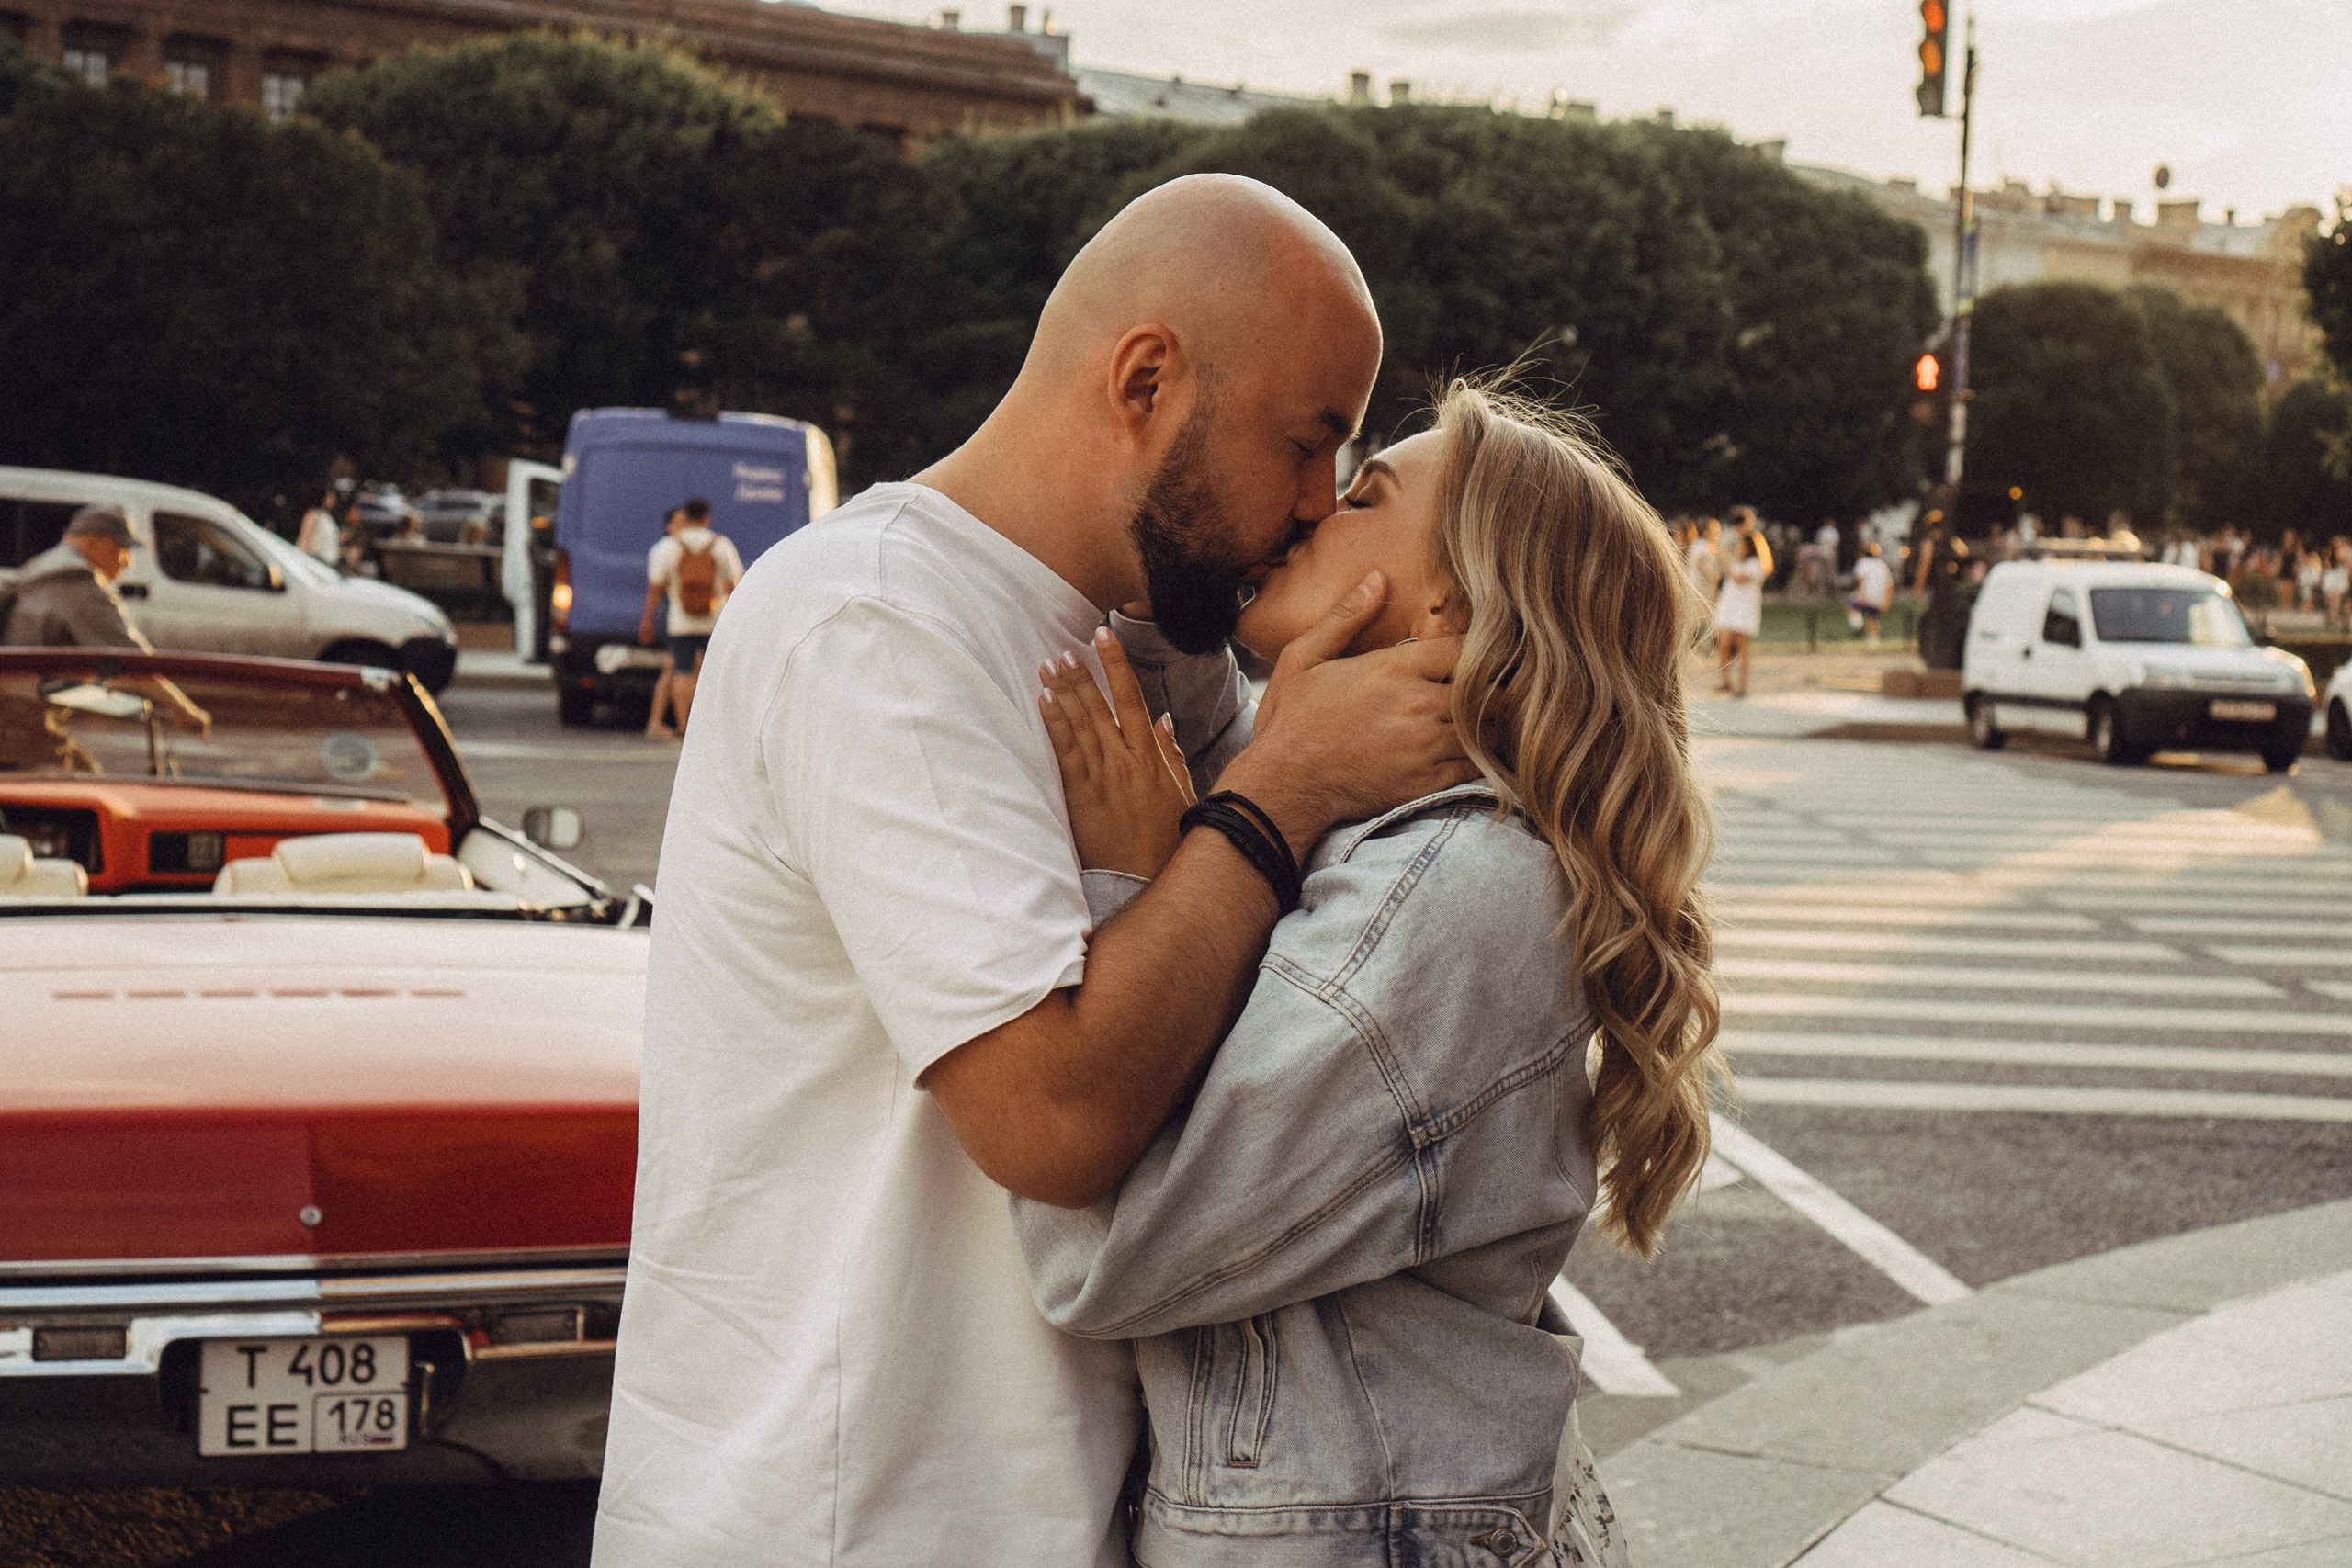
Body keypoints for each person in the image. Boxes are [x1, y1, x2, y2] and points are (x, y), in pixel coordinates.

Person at [593, 175, 1473, 1568]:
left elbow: (1255, 985)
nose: (1315, 506)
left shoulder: (1157, 637)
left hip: (1043, 1502)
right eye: (1309, 444)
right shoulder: (876, 622)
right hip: (851, 1514)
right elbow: (1052, 1117)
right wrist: (1277, 787)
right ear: (1144, 380)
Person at [1017, 380, 1721, 1566]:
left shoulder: (1454, 894)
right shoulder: (1398, 843)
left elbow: (1114, 1251)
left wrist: (1141, 888)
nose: (1306, 515)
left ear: (1448, 600)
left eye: (1363, 496)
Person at [633, 497, 741, 738]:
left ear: (687, 515)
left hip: (680, 622)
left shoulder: (668, 547)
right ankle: (711, 728)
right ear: (707, 517)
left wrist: (647, 620)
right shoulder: (720, 544)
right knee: (713, 672)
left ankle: (683, 727)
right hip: (714, 621)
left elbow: (655, 588)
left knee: (682, 671)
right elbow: (735, 582)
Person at [2, 506, 151, 649]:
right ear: (93, 542)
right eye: (121, 550)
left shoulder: (39, 568)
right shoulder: (79, 583)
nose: (128, 563)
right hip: (42, 674)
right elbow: (133, 661)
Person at [637, 508, 686, 740]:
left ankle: (661, 723)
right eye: (679, 522)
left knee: (675, 666)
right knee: (675, 666)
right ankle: (661, 723)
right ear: (669, 526)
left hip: (679, 613)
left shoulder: (682, 547)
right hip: (672, 612)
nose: (684, 526)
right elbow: (655, 590)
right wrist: (647, 620)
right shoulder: (665, 549)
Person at [1714, 525, 1770, 695]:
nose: (1740, 548)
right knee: (1723, 643)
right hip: (1729, 606)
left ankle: (1742, 685)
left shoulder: (1756, 565)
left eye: (1743, 545)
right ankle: (1725, 680)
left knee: (1742, 647)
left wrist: (1725, 561)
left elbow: (1739, 579)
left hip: (1744, 608)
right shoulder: (1737, 562)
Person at [1849, 539, 1894, 648]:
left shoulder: (1862, 563)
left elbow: (1860, 581)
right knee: (1872, 617)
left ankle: (1858, 626)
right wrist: (1887, 602)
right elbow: (1890, 585)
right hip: (1880, 598)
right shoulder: (1883, 565)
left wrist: (1860, 595)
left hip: (1866, 595)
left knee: (1851, 606)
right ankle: (1874, 644)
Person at [297, 491, 344, 568]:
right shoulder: (313, 515)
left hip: (328, 565)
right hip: (314, 562)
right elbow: (304, 539)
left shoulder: (329, 518)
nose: (333, 500)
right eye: (330, 497)